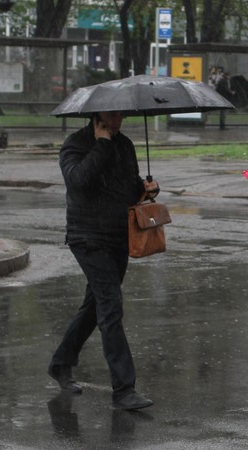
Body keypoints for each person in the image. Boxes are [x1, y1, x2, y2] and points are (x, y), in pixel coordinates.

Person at [48, 110, 159, 411]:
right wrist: (101, 145)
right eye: (112, 113)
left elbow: (125, 189)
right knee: (110, 304)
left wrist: (145, 190)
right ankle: (124, 389)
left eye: (121, 113)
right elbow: (79, 183)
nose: (118, 118)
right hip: (87, 237)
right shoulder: (76, 145)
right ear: (97, 114)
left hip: (118, 235)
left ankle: (61, 362)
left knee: (96, 304)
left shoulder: (125, 145)